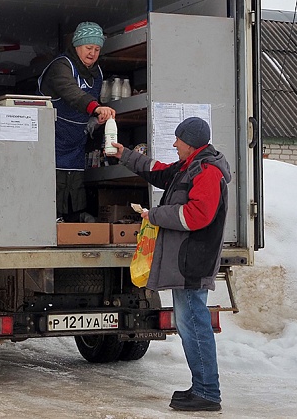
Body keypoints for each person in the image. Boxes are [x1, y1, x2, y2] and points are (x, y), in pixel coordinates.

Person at [106, 117, 229, 412]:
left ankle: (208, 393)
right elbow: (158, 172)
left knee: (195, 325)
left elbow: (197, 215)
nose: (174, 144)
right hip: (186, 260)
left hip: (193, 262)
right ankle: (202, 387)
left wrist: (156, 215)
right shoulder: (189, 167)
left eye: (178, 140)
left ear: (192, 142)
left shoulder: (207, 171)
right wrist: (125, 155)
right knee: (189, 325)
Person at [38, 21, 116, 223]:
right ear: (77, 46)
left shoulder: (97, 73)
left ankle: (73, 225)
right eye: (88, 48)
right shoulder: (61, 66)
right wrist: (96, 107)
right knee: (51, 188)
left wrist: (94, 119)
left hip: (76, 143)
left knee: (73, 188)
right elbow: (72, 94)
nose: (93, 53)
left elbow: (88, 105)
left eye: (97, 49)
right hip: (51, 140)